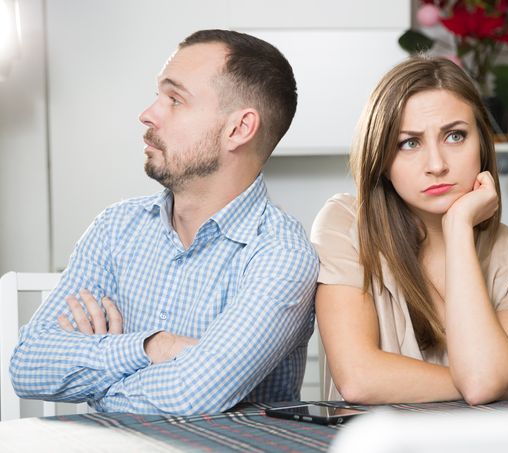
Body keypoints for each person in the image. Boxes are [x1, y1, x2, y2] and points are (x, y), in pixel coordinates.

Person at [10, 30, 319, 414]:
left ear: (238, 129)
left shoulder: (281, 254)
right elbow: (27, 367)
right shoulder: (115, 228)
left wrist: (95, 381)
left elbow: (191, 394)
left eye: (175, 99)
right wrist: (155, 346)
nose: (148, 114)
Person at [311, 56, 508, 405]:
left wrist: (459, 226)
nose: (436, 165)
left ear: (482, 144)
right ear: (382, 159)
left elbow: (481, 381)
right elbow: (359, 379)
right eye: (409, 143)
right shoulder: (346, 224)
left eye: (455, 136)